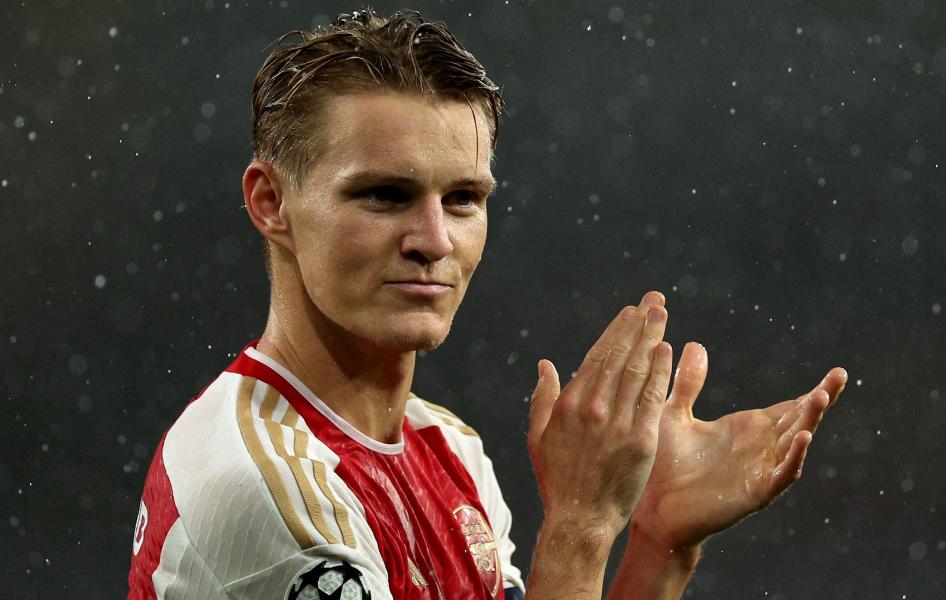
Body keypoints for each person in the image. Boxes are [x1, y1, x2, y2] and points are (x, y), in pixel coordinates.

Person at [127, 9, 848, 599]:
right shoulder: (269, 492)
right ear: (271, 202)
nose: (434, 240)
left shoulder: (446, 445)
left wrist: (657, 545)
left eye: (464, 199)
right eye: (385, 194)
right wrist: (580, 526)